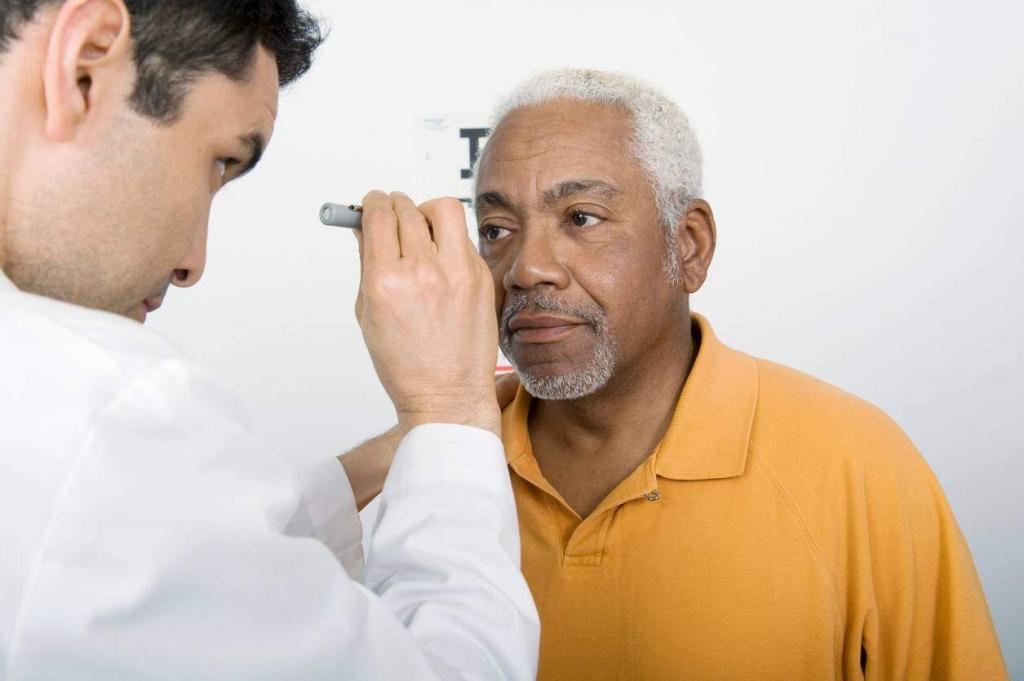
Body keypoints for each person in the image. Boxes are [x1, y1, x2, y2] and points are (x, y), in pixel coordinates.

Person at [366, 69, 1009, 680]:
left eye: (581, 218)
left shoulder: (857, 461)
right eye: (496, 228)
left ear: (690, 245)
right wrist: (433, 426)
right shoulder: (430, 472)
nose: (527, 269)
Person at [0, 1, 538, 679]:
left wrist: (409, 450)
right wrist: (450, 411)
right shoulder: (105, 418)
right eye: (219, 161)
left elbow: (180, 553)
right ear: (85, 66)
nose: (193, 262)